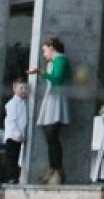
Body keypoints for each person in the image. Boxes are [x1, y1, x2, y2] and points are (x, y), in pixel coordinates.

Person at [29, 35, 69, 185]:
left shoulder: (60, 59)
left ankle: (57, 169)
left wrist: (42, 73)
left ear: (52, 48)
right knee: (49, 135)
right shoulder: (54, 61)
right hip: (52, 98)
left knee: (52, 134)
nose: (44, 54)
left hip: (57, 99)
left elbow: (57, 78)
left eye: (45, 51)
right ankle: (53, 168)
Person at [0, 78, 28, 184]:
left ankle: (15, 177)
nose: (23, 90)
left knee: (17, 157)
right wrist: (16, 134)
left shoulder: (24, 103)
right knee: (11, 158)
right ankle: (11, 177)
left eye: (25, 88)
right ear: (14, 88)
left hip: (20, 136)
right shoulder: (12, 103)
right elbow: (11, 120)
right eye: (21, 88)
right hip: (12, 136)